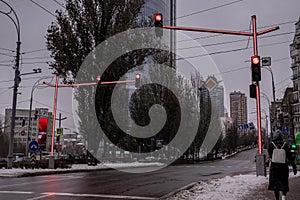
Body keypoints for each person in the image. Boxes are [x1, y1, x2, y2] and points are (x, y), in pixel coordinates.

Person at [268, 129, 297, 200]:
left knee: (275, 185)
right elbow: (290, 157)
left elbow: (270, 156)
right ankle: (283, 197)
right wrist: (294, 167)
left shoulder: (271, 145)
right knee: (284, 183)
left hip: (274, 168)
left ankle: (277, 198)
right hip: (283, 167)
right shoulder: (285, 145)